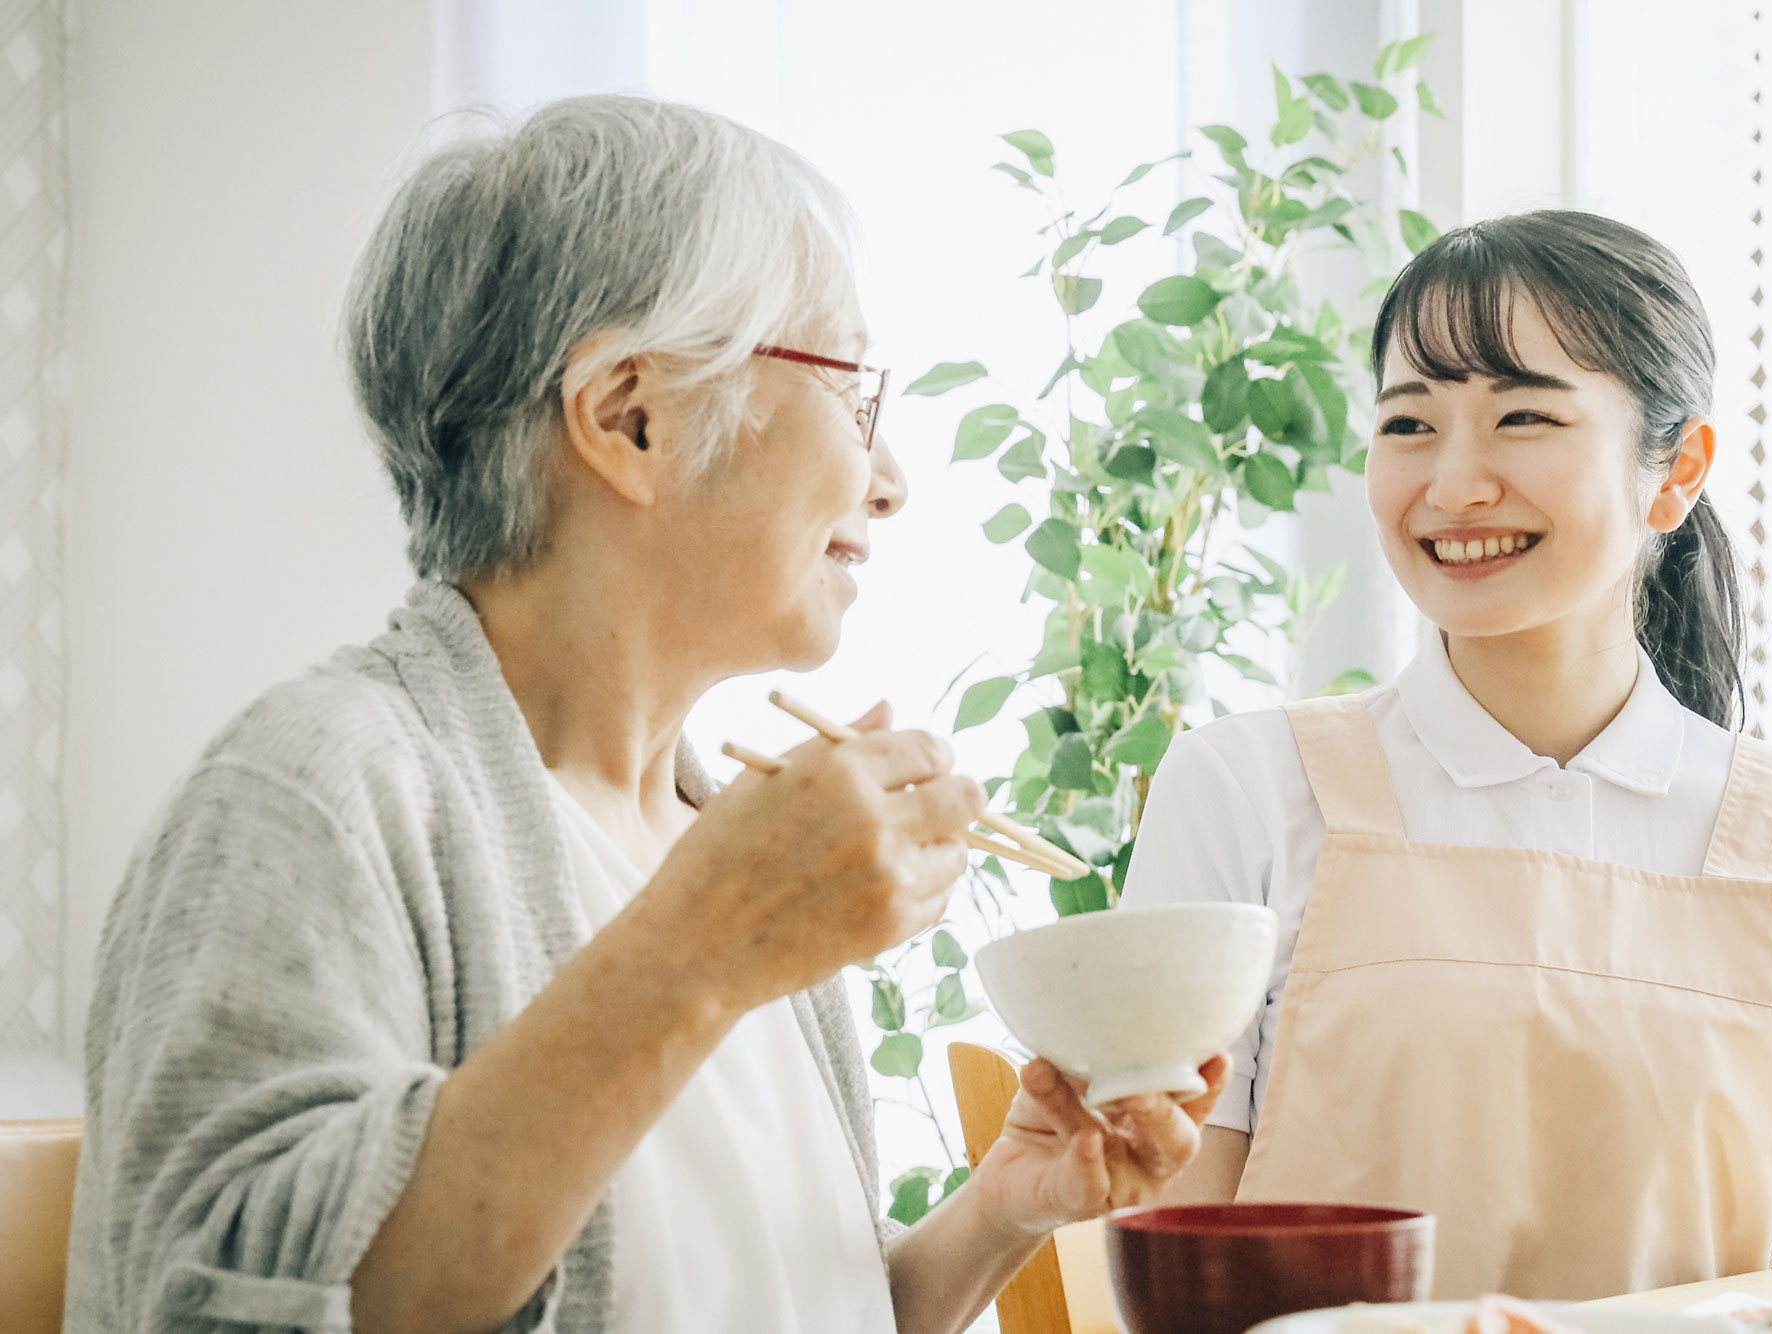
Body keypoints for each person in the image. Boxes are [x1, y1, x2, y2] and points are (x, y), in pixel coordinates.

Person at [65, 95, 1227, 1334]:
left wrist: (998, 1211)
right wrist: (705, 945)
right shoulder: (317, 790)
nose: (889, 481)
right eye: (853, 393)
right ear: (631, 415)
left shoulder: (708, 835)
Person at [1123, 211, 1772, 1301]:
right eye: (1407, 424)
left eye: (1523, 415)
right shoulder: (1243, 791)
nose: (1450, 484)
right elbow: (1182, 1271)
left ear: (1675, 469)